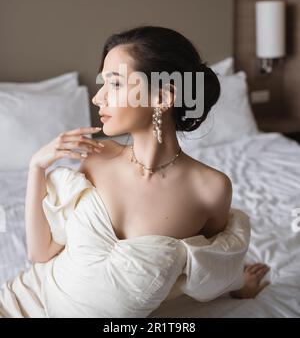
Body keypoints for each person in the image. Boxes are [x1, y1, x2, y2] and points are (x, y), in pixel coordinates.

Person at [0, 25, 269, 318]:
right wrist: (36, 167)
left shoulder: (210, 189)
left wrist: (240, 285)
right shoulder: (95, 159)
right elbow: (41, 254)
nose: (97, 98)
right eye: (102, 83)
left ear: (163, 98)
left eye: (115, 84)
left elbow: (211, 265)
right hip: (23, 301)